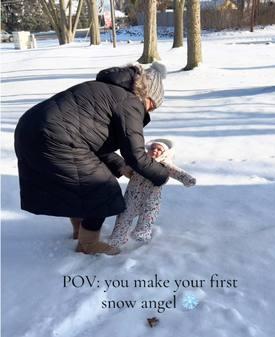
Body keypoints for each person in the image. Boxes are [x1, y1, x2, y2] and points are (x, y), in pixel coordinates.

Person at [14, 62, 170, 255]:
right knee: (102, 188)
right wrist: (162, 175)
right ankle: (88, 244)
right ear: (146, 95)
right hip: (57, 137)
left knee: (75, 183)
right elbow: (136, 154)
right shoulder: (130, 101)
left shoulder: (105, 90)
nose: (149, 111)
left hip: (28, 130)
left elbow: (90, 140)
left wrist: (121, 166)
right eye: (152, 106)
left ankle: (79, 231)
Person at [109, 139, 196, 249]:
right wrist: (126, 169)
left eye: (159, 149)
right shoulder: (141, 161)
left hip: (151, 198)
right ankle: (118, 237)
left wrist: (188, 179)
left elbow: (178, 172)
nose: (155, 151)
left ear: (165, 152)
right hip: (132, 195)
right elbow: (128, 167)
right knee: (125, 215)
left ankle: (142, 233)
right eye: (152, 148)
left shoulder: (165, 164)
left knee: (148, 215)